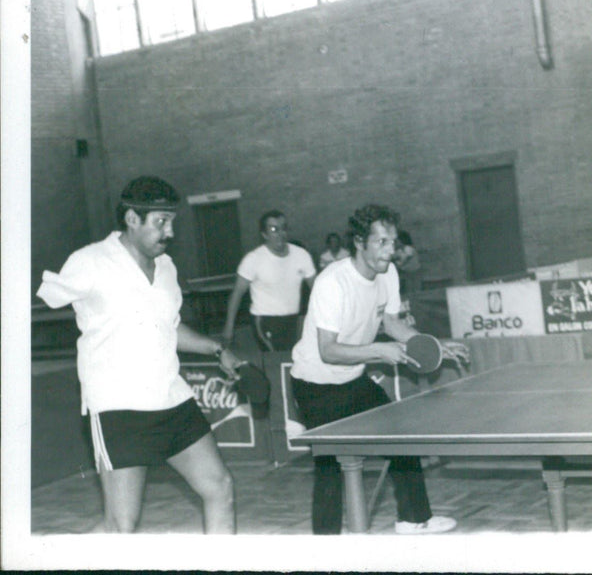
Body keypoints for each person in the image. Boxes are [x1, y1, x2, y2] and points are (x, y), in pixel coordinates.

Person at [36, 176, 244, 533]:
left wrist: (217, 348)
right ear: (132, 219)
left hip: (172, 399)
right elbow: (38, 303)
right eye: (161, 221)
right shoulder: (89, 261)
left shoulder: (166, 267)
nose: (170, 232)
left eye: (172, 221)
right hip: (119, 408)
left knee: (219, 487)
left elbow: (168, 327)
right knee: (122, 526)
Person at [290, 204, 469, 534]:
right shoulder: (332, 283)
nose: (391, 250)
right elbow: (328, 351)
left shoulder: (388, 274)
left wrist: (432, 344)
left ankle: (414, 519)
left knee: (401, 437)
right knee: (329, 466)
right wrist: (379, 352)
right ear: (360, 241)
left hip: (352, 377)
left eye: (394, 242)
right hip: (314, 383)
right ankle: (324, 546)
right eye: (382, 242)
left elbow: (391, 323)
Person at [222, 210, 316, 351]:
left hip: (293, 320)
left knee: (295, 361)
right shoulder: (253, 259)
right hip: (265, 321)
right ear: (264, 234)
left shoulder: (302, 255)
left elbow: (318, 289)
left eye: (283, 228)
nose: (280, 234)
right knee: (275, 360)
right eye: (274, 229)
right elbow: (237, 294)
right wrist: (229, 327)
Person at [393, 229, 422, 295]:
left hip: (414, 273)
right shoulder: (400, 250)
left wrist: (397, 263)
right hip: (407, 273)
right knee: (409, 290)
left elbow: (403, 260)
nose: (396, 242)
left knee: (414, 291)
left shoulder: (408, 248)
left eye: (397, 240)